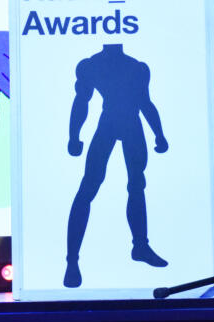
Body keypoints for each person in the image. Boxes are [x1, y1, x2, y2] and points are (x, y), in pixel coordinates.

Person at [63, 44, 169, 288]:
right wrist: (73, 135)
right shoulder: (94, 65)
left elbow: (145, 103)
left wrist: (159, 134)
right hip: (111, 123)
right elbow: (82, 101)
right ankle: (72, 260)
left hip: (128, 124)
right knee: (89, 187)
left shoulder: (135, 67)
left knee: (135, 185)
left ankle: (140, 246)